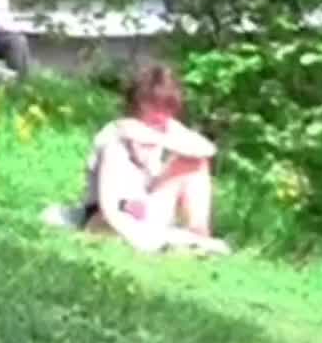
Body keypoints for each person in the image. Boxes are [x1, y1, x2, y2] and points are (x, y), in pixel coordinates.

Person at [78, 63, 230, 256]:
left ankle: (200, 235)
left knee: (195, 163)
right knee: (116, 218)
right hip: (114, 211)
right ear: (138, 103)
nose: (160, 113)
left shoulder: (166, 128)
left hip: (146, 206)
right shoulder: (116, 133)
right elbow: (109, 202)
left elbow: (207, 150)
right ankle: (155, 239)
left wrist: (157, 138)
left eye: (167, 107)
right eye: (153, 105)